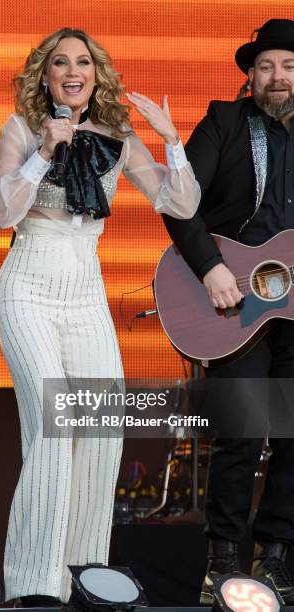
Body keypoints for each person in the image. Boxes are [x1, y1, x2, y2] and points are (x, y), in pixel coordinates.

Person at [0, 27, 199, 605]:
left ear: (96, 75)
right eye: (61, 63)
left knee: (102, 431)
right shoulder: (22, 129)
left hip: (85, 292)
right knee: (54, 434)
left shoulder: (118, 136)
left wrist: (170, 140)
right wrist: (44, 153)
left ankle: (81, 578)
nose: (73, 71)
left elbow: (178, 204)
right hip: (28, 284)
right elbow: (1, 212)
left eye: (84, 62)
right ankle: (34, 590)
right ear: (46, 76)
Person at [162, 18, 294, 605]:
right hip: (233, 302)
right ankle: (222, 560)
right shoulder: (224, 121)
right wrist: (211, 267)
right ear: (250, 75)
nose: (278, 77)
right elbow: (178, 198)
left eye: (289, 66)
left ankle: (277, 559)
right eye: (266, 66)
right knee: (241, 433)